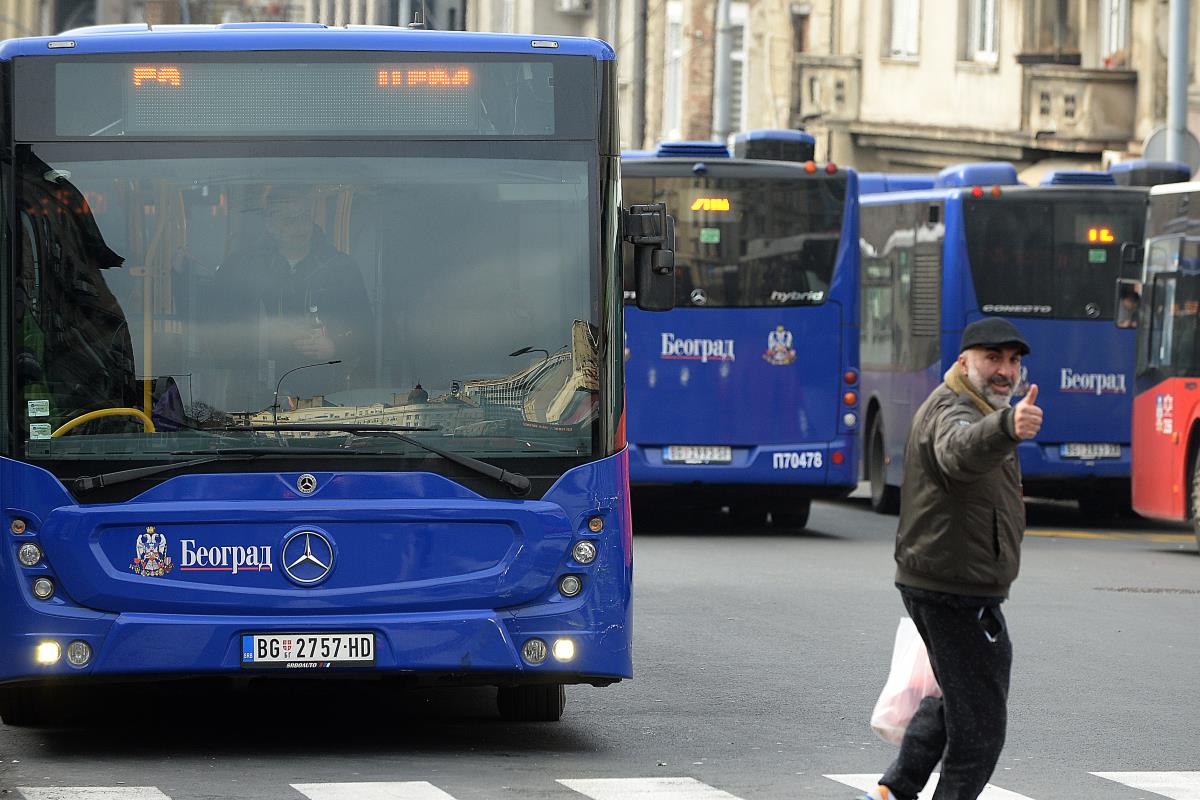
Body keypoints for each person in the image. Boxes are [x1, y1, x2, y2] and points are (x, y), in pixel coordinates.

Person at [861, 317, 1043, 800]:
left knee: (956, 695)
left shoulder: (978, 405)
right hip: (952, 587)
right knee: (979, 727)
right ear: (964, 362)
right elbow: (957, 452)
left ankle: (893, 791)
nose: (1005, 370)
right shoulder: (955, 410)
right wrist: (1007, 426)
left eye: (1013, 360)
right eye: (993, 358)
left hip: (950, 580)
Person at [210, 185, 372, 404]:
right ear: (269, 223)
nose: (299, 226)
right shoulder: (241, 267)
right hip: (251, 395)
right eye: (288, 219)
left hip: (323, 396)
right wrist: (181, 274)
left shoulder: (341, 268)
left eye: (303, 216)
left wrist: (335, 346)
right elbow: (212, 324)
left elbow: (366, 330)